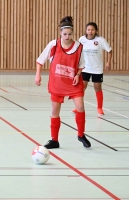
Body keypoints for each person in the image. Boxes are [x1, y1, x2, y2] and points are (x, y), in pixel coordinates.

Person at [35, 16, 91, 149]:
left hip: (73, 82)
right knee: (55, 110)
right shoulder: (53, 44)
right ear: (60, 33)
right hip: (57, 82)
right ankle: (54, 140)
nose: (67, 36)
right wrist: (38, 75)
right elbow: (40, 60)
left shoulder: (78, 46)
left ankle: (81, 135)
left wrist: (78, 74)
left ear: (73, 33)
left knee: (80, 107)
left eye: (70, 34)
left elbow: (82, 65)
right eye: (64, 34)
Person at [72, 22, 112, 115]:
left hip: (97, 69)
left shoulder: (100, 40)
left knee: (97, 88)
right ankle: (77, 107)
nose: (90, 31)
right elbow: (78, 52)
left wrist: (108, 62)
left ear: (96, 31)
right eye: (88, 30)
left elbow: (110, 51)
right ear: (86, 31)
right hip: (85, 68)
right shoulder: (82, 39)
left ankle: (99, 108)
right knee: (82, 88)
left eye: (92, 30)